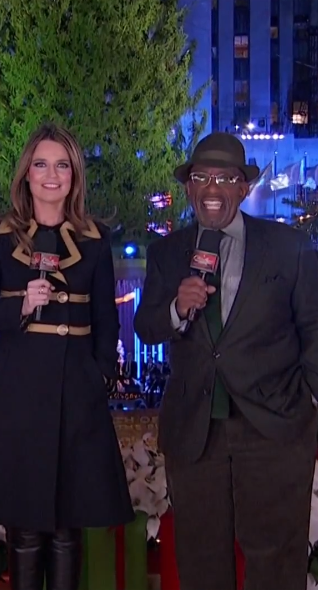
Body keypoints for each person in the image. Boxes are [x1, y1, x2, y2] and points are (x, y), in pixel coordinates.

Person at [134, 132, 318, 590]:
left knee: (276, 564)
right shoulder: (167, 253)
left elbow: (315, 331)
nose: (212, 188)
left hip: (275, 431)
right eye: (201, 178)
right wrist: (176, 308)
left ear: (243, 187)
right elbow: (146, 327)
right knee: (201, 563)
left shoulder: (289, 248)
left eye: (224, 178)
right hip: (196, 434)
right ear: (188, 187)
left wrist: (309, 404)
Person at [0, 123, 134, 590]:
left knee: (66, 527)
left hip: (77, 391)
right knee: (24, 525)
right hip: (17, 392)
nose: (51, 175)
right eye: (41, 164)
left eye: (61, 165)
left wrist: (100, 375)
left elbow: (106, 319)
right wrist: (20, 305)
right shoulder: (0, 236)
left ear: (74, 176)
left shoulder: (95, 238)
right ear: (27, 174)